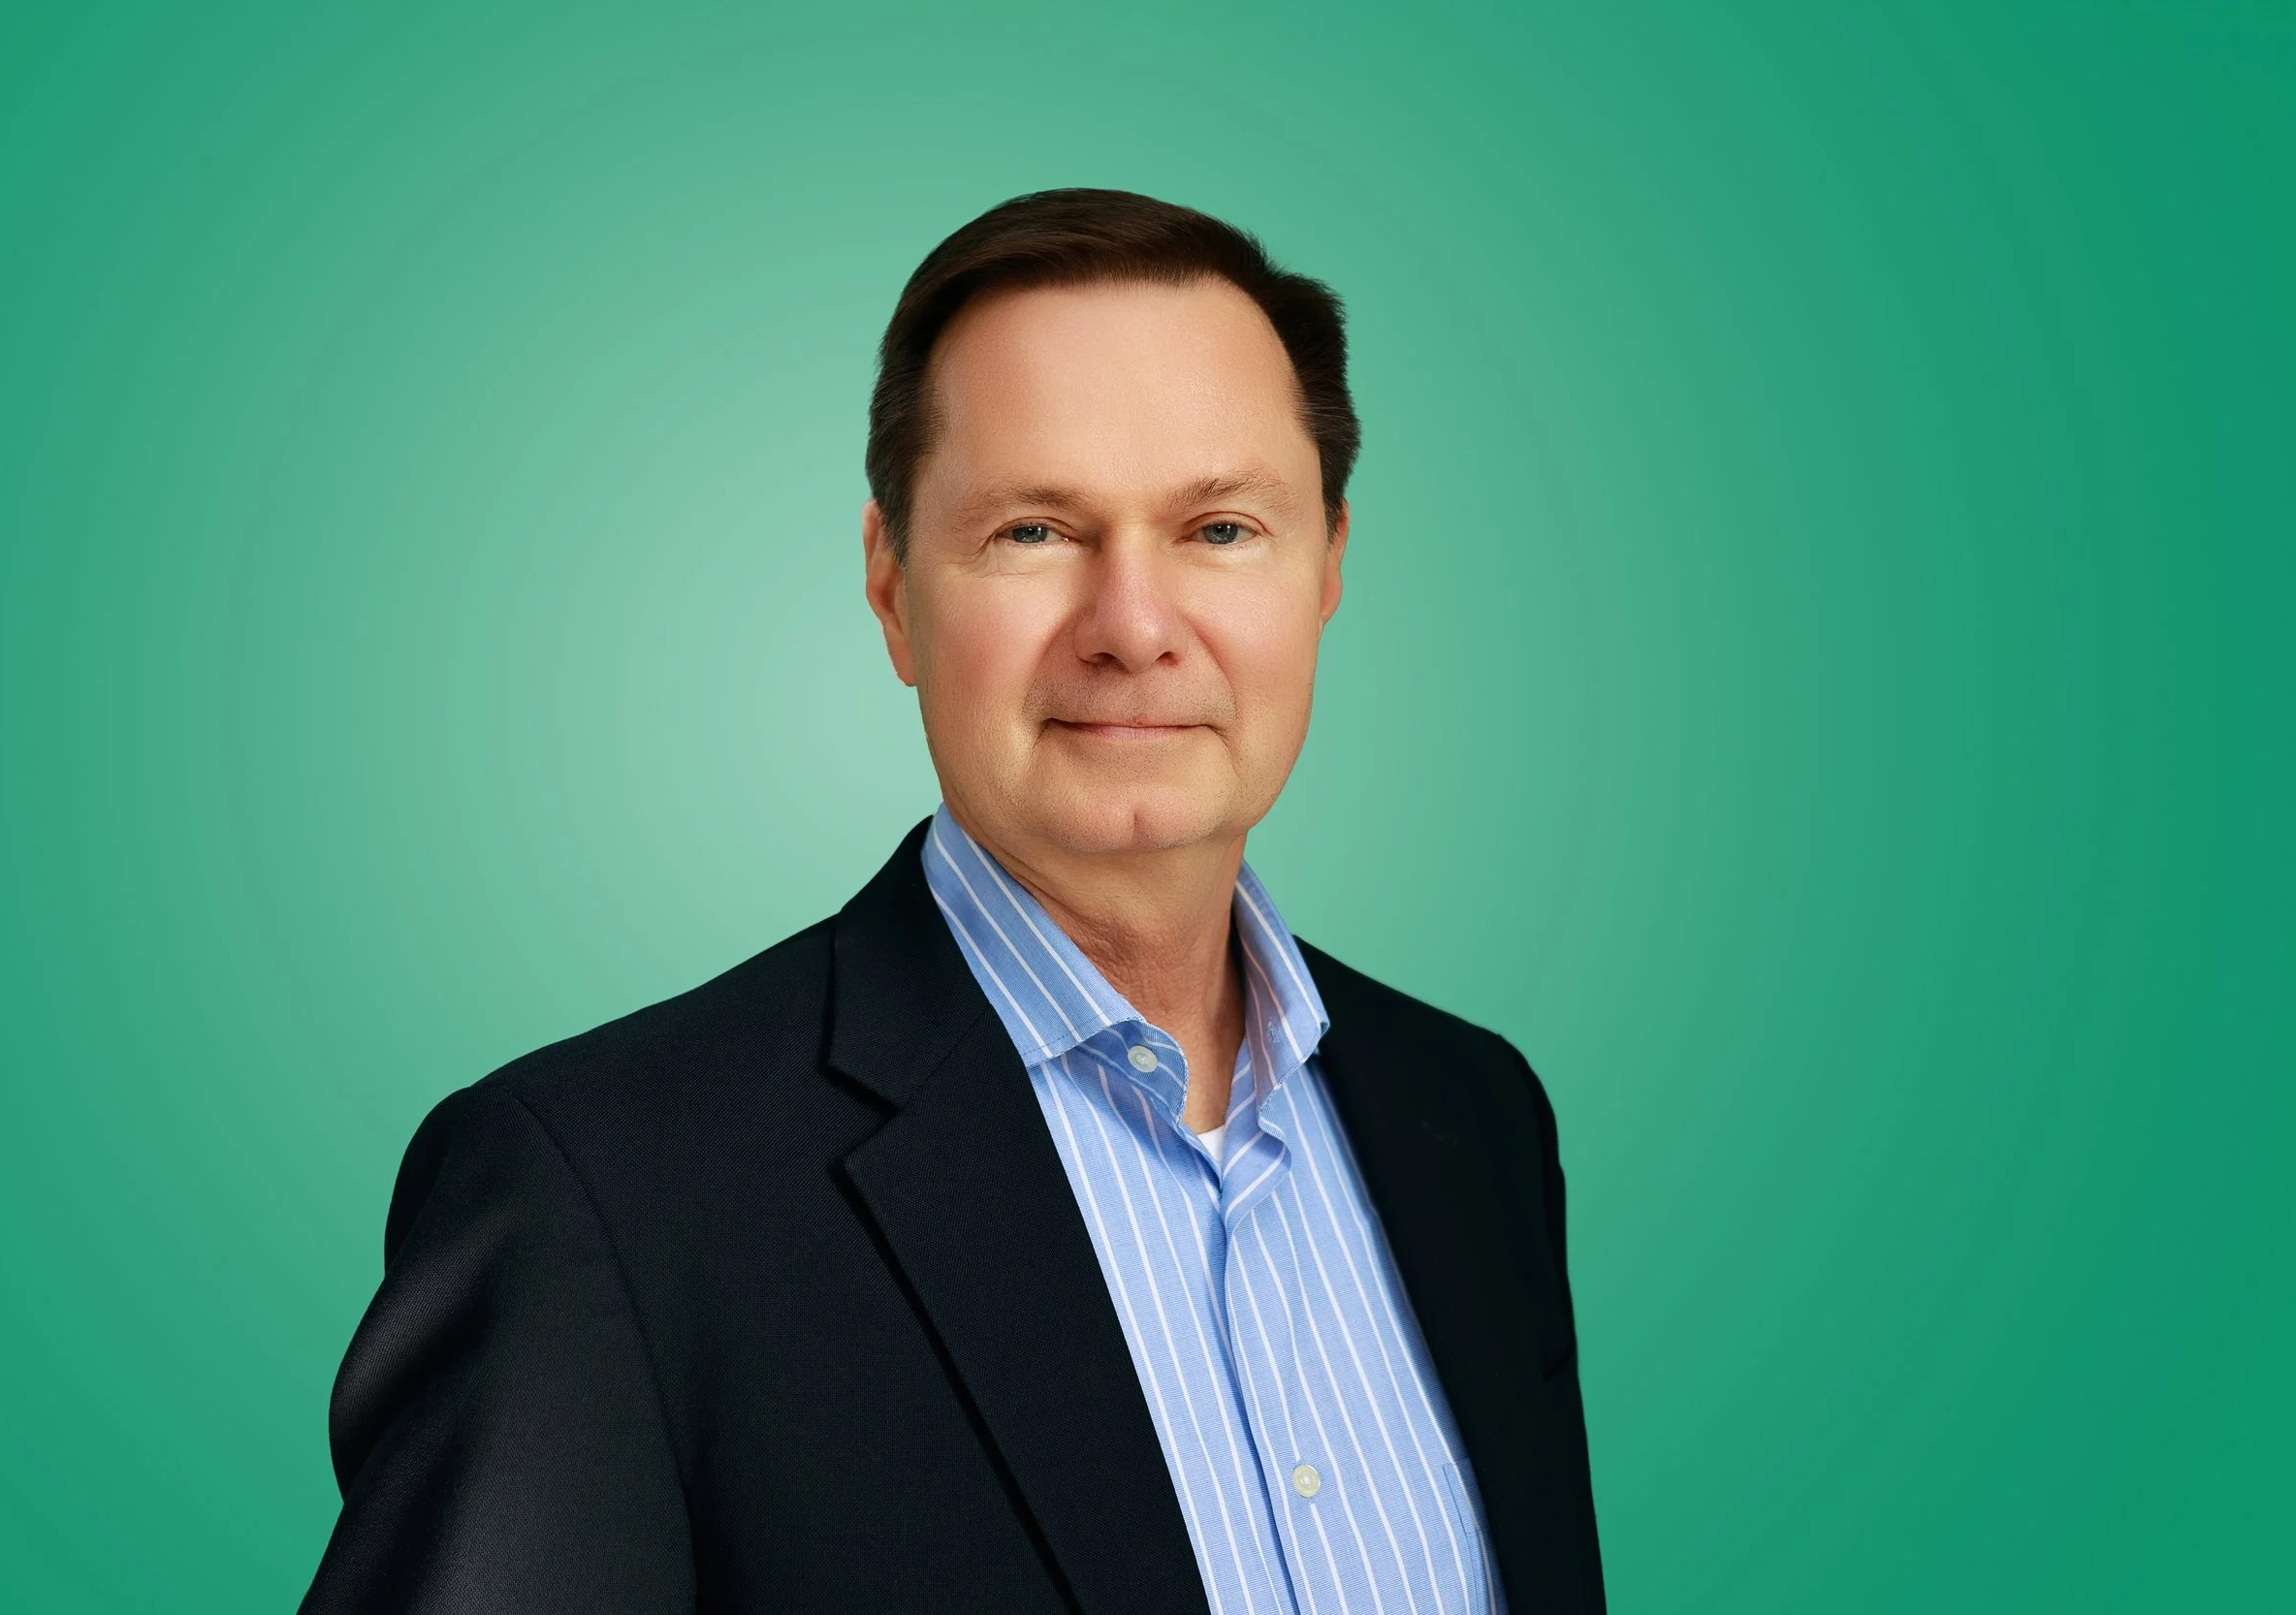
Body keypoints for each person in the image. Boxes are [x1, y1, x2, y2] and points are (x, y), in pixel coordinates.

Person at [300, 188, 1603, 1615]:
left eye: (1221, 528)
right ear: (889, 587)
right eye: (1036, 531)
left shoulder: (1471, 1121)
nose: (1134, 625)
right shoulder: (603, 1195)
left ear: (1331, 567)